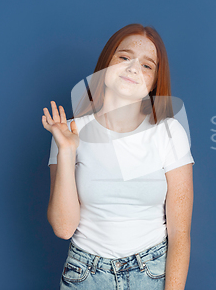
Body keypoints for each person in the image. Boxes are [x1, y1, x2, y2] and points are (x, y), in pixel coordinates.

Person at [41, 24, 194, 290]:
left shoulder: (169, 133)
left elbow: (180, 235)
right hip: (85, 275)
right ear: (106, 65)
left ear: (155, 81)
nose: (133, 68)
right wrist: (66, 151)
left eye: (147, 65)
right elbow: (64, 228)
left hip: (152, 272)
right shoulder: (70, 132)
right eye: (124, 58)